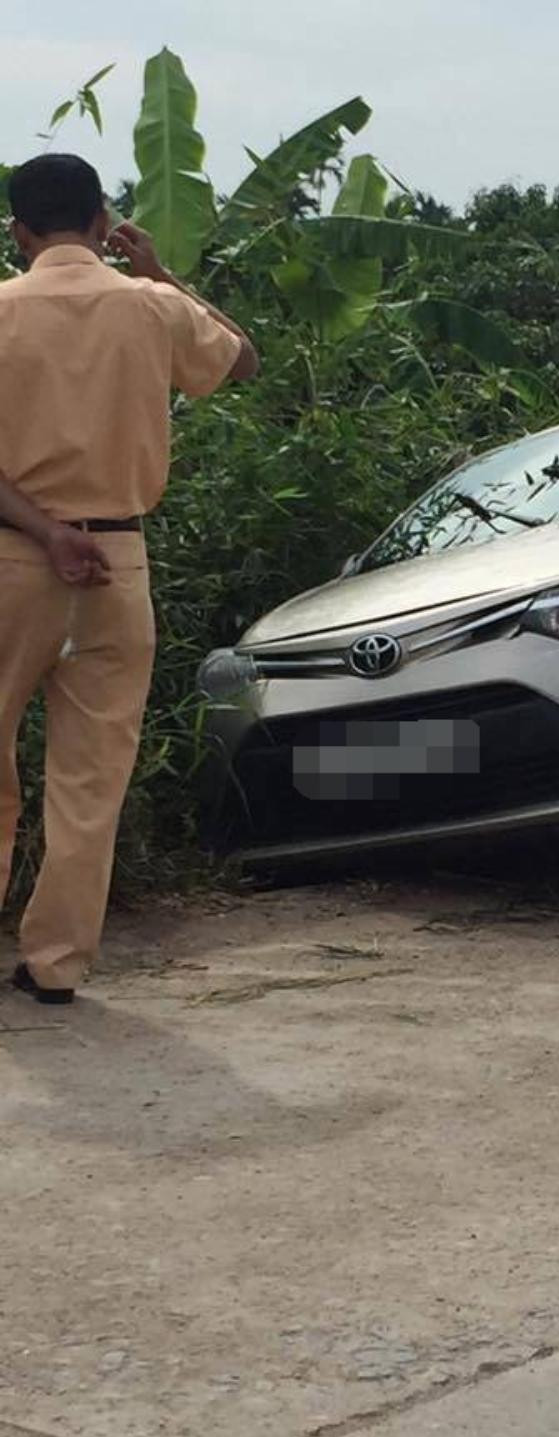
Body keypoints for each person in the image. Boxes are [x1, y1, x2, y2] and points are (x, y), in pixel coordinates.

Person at [0, 153, 258, 1004]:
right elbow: (243, 362)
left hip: (11, 560)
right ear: (105, 220)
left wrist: (43, 530)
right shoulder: (151, 308)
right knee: (91, 775)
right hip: (120, 563)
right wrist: (164, 275)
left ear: (19, 232)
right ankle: (56, 964)